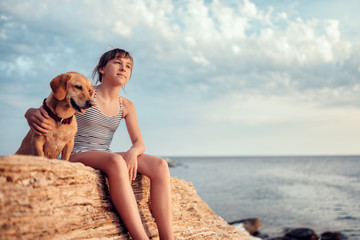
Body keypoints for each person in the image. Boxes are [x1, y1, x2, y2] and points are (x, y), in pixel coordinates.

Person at [24, 48, 174, 240]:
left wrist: (132, 152)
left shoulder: (126, 105)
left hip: (104, 154)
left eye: (128, 66)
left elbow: (139, 142)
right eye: (117, 62)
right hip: (77, 152)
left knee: (160, 166)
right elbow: (51, 107)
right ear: (102, 69)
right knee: (115, 161)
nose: (123, 68)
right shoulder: (85, 94)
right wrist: (30, 112)